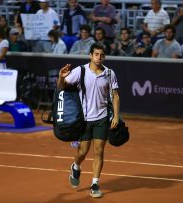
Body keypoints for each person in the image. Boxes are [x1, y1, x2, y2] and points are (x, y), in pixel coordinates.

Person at [57, 42, 120, 198]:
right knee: (83, 151)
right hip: (84, 120)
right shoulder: (81, 71)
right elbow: (61, 87)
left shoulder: (110, 73)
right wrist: (61, 77)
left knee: (99, 151)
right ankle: (76, 166)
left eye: (102, 55)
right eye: (96, 54)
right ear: (91, 55)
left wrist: (116, 116)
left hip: (102, 118)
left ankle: (95, 183)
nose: (99, 57)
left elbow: (115, 95)